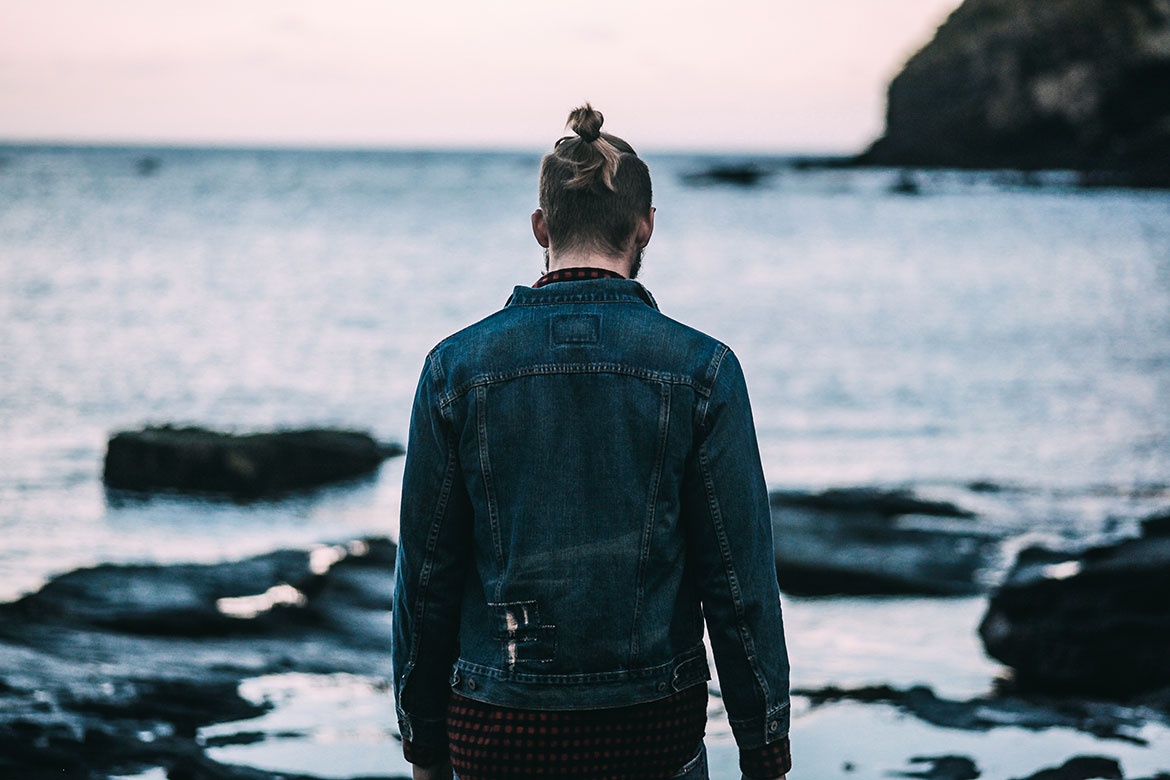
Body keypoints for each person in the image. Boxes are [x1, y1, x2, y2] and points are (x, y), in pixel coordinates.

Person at [392, 104, 791, 780]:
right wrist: (764, 746)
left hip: (496, 731)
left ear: (541, 227)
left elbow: (426, 579)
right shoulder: (704, 372)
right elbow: (738, 579)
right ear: (646, 226)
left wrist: (423, 742)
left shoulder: (453, 371)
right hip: (650, 734)